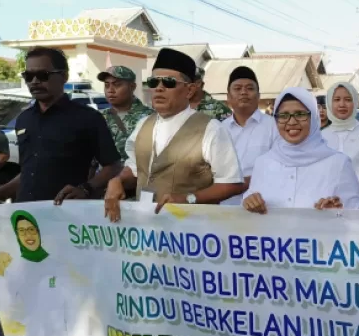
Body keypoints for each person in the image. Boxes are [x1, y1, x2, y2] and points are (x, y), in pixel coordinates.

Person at [104, 48, 245, 222]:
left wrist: (189, 199)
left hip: (189, 234)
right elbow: (134, 169)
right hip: (146, 229)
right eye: (154, 82)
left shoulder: (210, 129)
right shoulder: (143, 124)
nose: (159, 89)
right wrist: (118, 181)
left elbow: (231, 183)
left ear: (189, 90)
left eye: (169, 83)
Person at [0, 47, 121, 205]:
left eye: (42, 75)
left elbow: (113, 166)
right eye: (29, 76)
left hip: (66, 215)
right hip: (25, 216)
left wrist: (86, 188)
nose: (35, 81)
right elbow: (28, 173)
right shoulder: (24, 119)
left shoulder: (88, 118)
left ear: (64, 76)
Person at [242, 87, 359, 213]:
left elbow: (357, 217)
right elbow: (249, 212)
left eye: (300, 114)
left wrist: (336, 212)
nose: (292, 121)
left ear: (314, 118)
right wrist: (249, 202)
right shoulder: (263, 163)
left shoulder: (339, 164)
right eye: (283, 115)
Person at [0, 210, 69, 336]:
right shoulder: (13, 268)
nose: (28, 235)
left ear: (38, 232)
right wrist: (0, 269)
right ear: (17, 235)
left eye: (31, 230)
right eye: (21, 231)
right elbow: (5, 302)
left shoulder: (58, 265)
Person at [220, 66, 277, 206]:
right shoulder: (219, 129)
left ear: (258, 96)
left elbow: (280, 168)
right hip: (224, 209)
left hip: (264, 206)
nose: (244, 92)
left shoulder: (274, 127)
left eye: (250, 88)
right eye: (237, 88)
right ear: (228, 97)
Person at [98, 66, 154, 163]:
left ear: (132, 87)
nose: (110, 90)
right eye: (107, 85)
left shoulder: (149, 117)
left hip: (136, 175)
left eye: (117, 85)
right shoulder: (99, 117)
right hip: (103, 176)